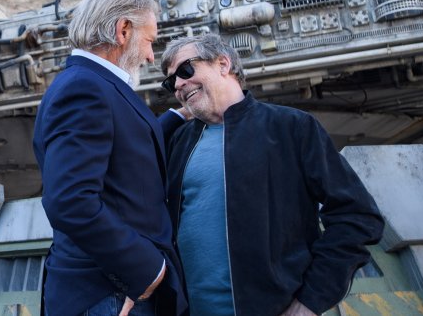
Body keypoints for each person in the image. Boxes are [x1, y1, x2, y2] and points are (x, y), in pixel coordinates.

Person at [158, 34, 384, 316]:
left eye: (186, 70)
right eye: (171, 82)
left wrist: (311, 302)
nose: (178, 84)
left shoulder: (291, 127)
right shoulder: (178, 143)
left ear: (223, 64)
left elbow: (358, 217)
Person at [33, 0, 186, 316]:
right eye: (149, 41)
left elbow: (123, 156)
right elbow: (69, 201)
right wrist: (147, 270)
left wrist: (177, 116)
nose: (150, 55)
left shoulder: (90, 84)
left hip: (115, 290)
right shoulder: (85, 89)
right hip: (110, 293)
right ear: (123, 30)